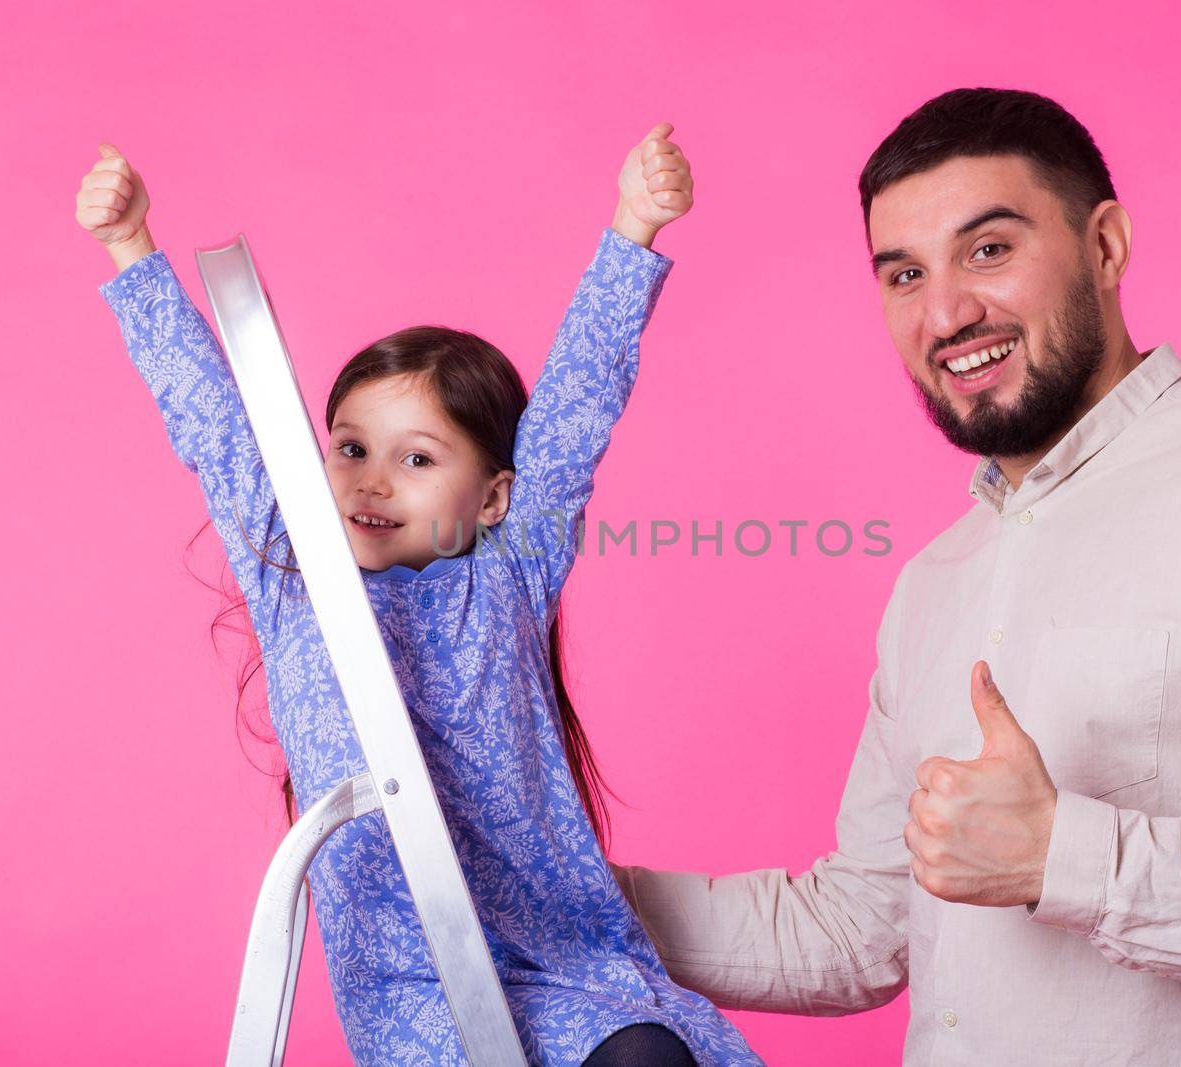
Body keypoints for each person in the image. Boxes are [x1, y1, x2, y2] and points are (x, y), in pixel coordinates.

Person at [614, 88, 1181, 1064]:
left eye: (989, 250)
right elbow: (859, 927)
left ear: (1104, 248)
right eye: (902, 273)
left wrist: (1066, 859)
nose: (945, 310)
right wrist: (547, 892)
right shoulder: (939, 580)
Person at [76, 127, 761, 1066]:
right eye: (351, 448)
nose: (372, 482)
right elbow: (215, 423)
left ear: (493, 497)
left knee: (647, 1054)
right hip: (410, 985)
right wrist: (131, 247)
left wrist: (633, 225)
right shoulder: (295, 577)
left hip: (559, 957)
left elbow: (573, 410)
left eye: (417, 458)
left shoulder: (509, 573)